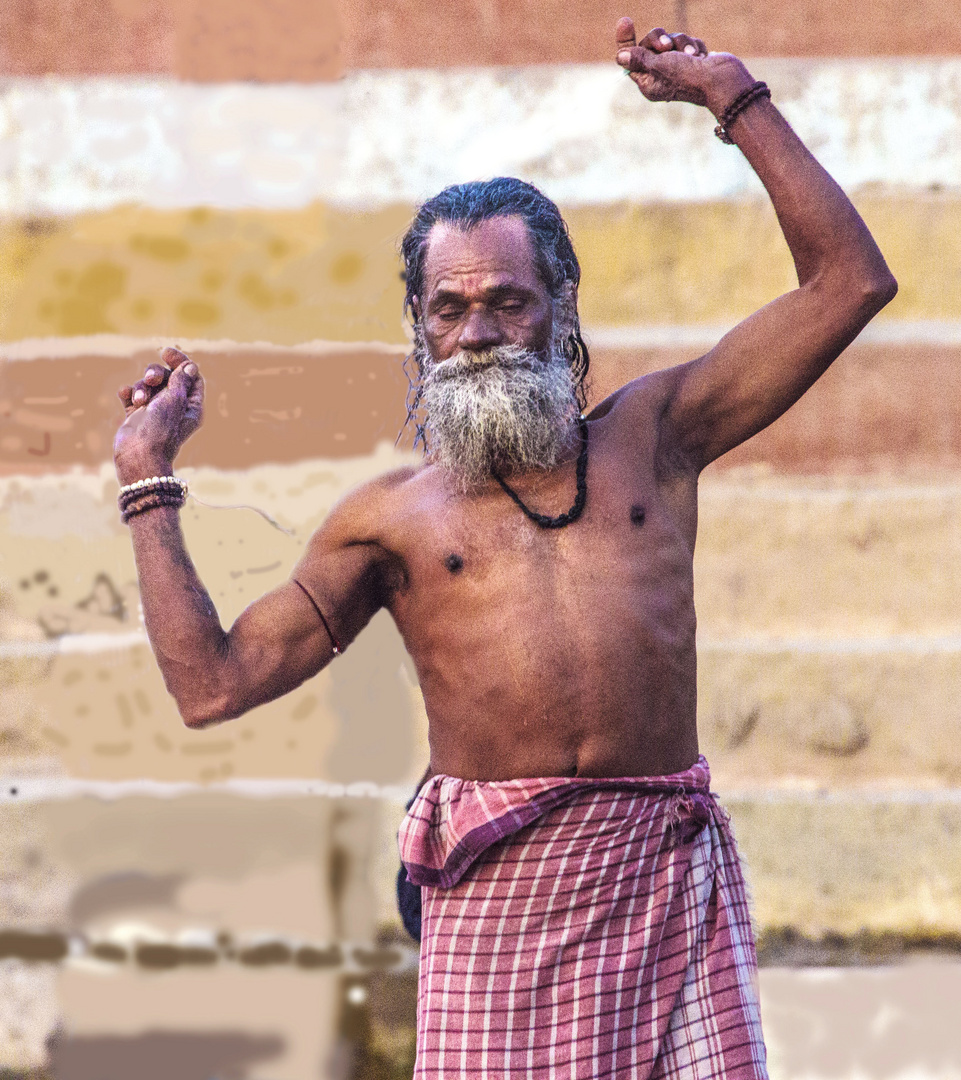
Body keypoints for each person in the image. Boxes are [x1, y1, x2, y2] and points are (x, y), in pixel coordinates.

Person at [113, 17, 896, 1079]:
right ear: (417, 327)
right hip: (497, 910)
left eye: (506, 303)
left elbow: (846, 284)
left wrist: (734, 99)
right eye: (449, 310)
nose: (476, 332)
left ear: (560, 310)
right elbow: (213, 686)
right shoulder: (388, 521)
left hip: (661, 887)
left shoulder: (657, 436)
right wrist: (147, 485)